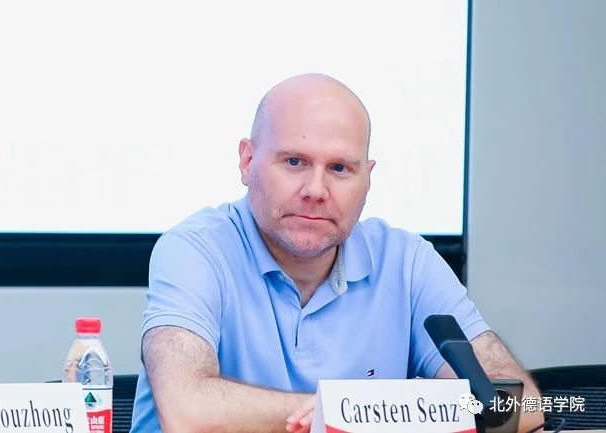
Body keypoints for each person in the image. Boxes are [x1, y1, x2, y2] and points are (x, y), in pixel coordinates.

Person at [130, 73, 543, 433]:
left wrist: (353, 413)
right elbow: (188, 412)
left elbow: (521, 407)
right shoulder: (196, 250)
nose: (315, 190)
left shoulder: (407, 262)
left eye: (340, 168)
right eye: (295, 161)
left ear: (368, 178)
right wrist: (348, 413)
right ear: (247, 161)